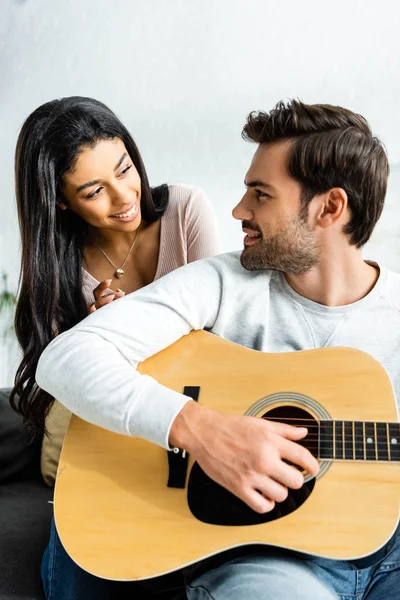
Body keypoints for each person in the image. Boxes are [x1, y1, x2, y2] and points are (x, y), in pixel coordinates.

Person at [33, 99, 400, 599]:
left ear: (329, 208)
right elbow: (65, 358)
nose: (237, 211)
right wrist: (202, 429)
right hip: (276, 562)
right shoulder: (224, 281)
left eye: (260, 194)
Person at [10, 95, 221, 600]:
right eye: (93, 191)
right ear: (60, 201)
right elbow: (63, 383)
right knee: (78, 581)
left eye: (125, 169)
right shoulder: (57, 267)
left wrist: (129, 333)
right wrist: (92, 336)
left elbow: (220, 346)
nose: (124, 196)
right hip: (104, 447)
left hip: (187, 439)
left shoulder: (186, 211)